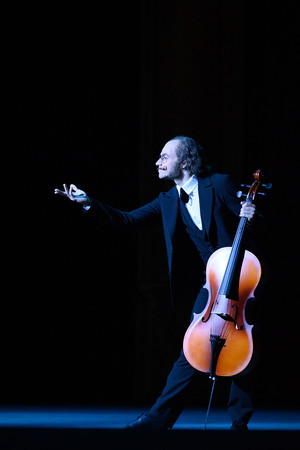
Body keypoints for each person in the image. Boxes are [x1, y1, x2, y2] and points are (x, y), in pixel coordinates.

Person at [55, 136, 257, 430]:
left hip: (246, 278)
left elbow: (256, 219)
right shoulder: (168, 199)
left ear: (186, 161)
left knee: (243, 348)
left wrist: (253, 214)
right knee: (194, 349)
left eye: (165, 157)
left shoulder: (220, 183)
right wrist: (89, 204)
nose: (157, 162)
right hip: (213, 285)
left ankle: (240, 420)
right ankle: (158, 418)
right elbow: (127, 220)